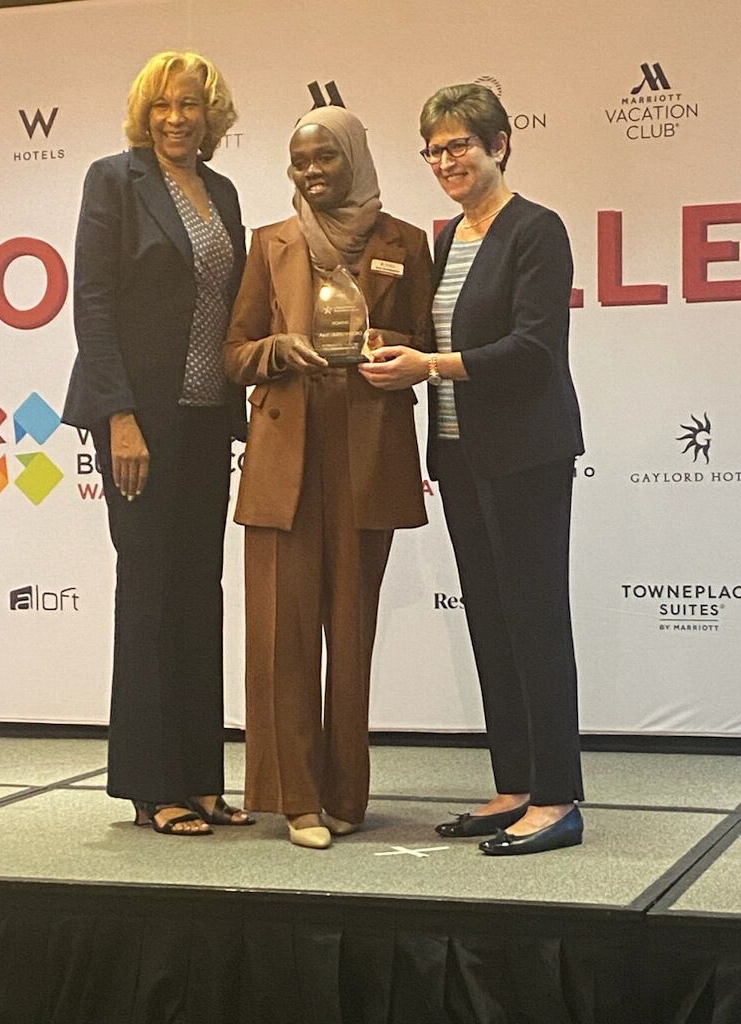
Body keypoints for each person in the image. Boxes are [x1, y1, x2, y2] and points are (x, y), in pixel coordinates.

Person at [360, 83, 585, 856]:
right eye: (435, 149)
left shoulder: (536, 229)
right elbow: (424, 337)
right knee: (489, 620)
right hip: (458, 455)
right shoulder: (447, 237)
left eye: (460, 145)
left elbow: (533, 349)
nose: (446, 161)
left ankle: (557, 796)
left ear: (499, 145)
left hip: (526, 453)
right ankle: (514, 783)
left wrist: (430, 363)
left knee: (534, 619)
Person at [224, 105, 432, 849]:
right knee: (281, 635)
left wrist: (386, 344)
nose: (312, 172)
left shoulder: (404, 241)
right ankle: (296, 800)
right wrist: (278, 350)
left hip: (367, 456)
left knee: (351, 632)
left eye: (326, 158)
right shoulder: (269, 244)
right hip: (285, 458)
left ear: (355, 158)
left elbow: (431, 345)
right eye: (300, 160)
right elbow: (235, 353)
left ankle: (347, 793)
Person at [63, 51, 254, 836]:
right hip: (141, 421)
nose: (177, 118)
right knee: (148, 592)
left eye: (192, 105)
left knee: (198, 591)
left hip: (208, 420)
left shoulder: (225, 192)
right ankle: (152, 785)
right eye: (164, 105)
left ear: (213, 116)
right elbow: (94, 303)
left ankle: (201, 778)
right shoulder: (115, 181)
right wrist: (119, 417)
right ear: (145, 113)